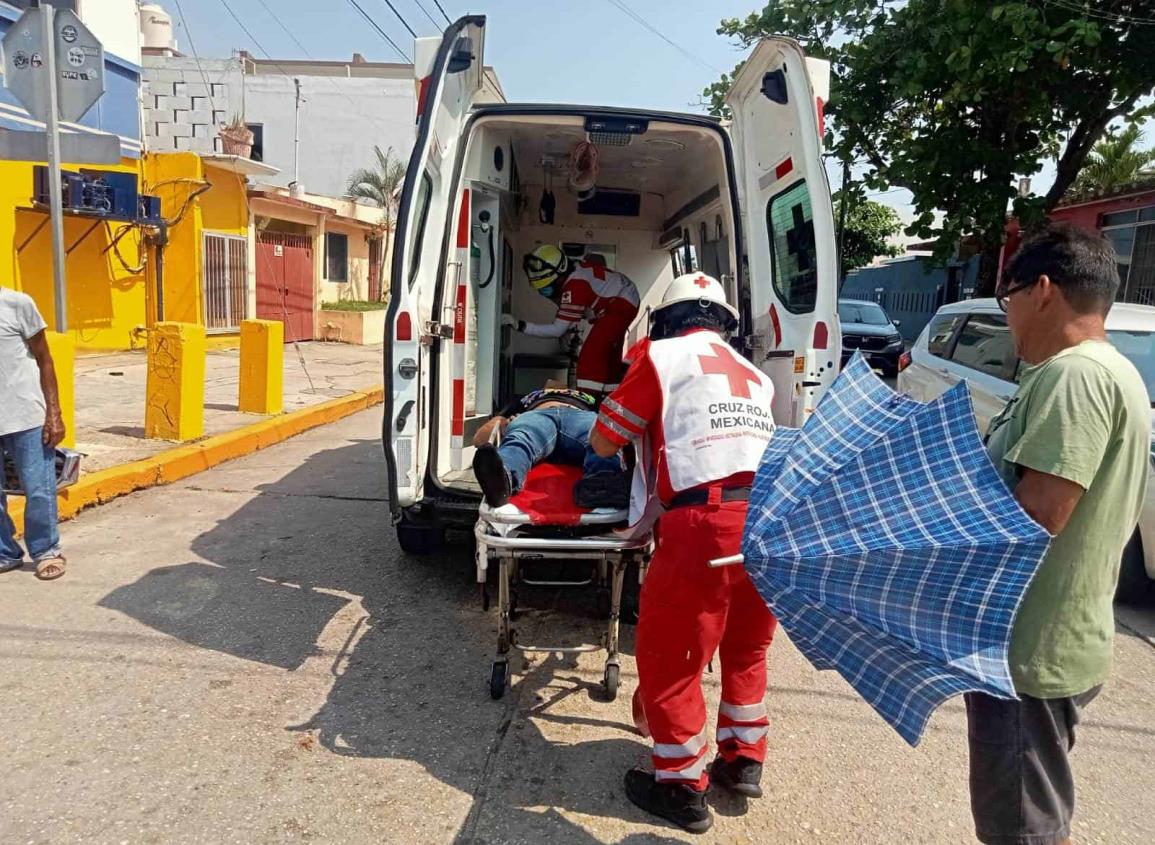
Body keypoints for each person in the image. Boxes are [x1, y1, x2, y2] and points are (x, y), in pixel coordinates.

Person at [971, 223, 1150, 845]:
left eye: (1008, 297)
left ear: (1042, 290)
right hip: (1057, 636)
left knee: (1023, 829)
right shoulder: (1114, 371)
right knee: (1033, 816)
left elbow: (1040, 513)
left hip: (1032, 646)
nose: (1009, 316)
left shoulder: (1072, 377)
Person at [589, 273, 777, 834]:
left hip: (702, 522)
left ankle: (679, 786)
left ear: (666, 322)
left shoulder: (661, 357)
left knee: (674, 656)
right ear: (725, 325)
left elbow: (604, 441)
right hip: (766, 521)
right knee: (746, 647)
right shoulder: (755, 375)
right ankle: (743, 761)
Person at [504, 246, 640, 395]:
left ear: (559, 276)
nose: (546, 291)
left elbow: (557, 330)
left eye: (549, 285)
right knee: (609, 357)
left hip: (621, 303)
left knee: (591, 356)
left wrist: (520, 326)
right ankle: (611, 397)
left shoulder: (574, 286)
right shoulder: (574, 270)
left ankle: (586, 403)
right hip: (624, 298)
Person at [471, 384, 629, 509]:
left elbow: (611, 424)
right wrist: (502, 421)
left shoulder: (591, 399)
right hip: (539, 415)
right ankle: (502, 481)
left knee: (601, 438)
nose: (555, 382)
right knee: (521, 438)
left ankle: (602, 482)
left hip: (579, 415)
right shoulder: (526, 399)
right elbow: (479, 440)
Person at [1, 286, 67, 580]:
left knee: (38, 489)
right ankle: (5, 552)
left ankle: (46, 551)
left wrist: (54, 413)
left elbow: (45, 359)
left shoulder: (17, 304)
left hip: (25, 415)